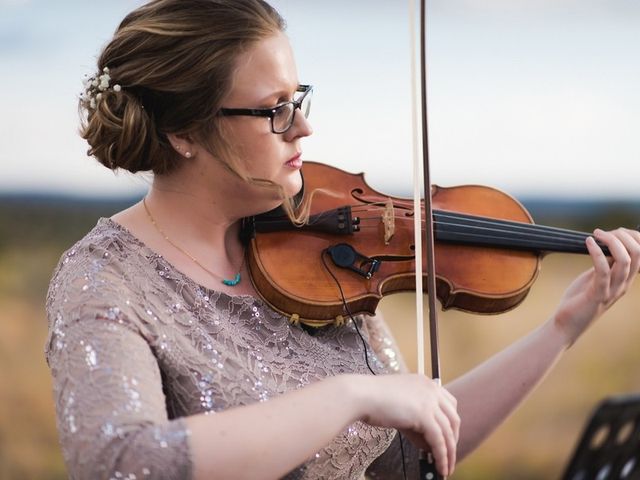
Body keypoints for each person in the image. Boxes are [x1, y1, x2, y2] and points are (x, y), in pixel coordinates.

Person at [45, 0, 640, 479]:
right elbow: (119, 463)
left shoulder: (315, 253)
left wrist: (565, 325)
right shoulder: (105, 279)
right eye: (274, 109)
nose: (303, 126)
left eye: (298, 99)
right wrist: (346, 396)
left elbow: (410, 454)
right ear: (182, 131)